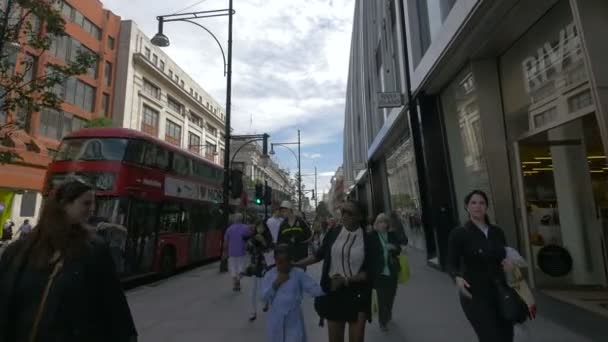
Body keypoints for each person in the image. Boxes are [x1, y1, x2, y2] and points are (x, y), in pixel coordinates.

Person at [0, 180, 137, 342]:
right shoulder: (17, 250)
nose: (92, 209)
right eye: (86, 203)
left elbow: (113, 303)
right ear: (64, 204)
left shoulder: (94, 250)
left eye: (93, 204)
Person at [297, 200, 372, 342]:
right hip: (333, 292)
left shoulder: (368, 239)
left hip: (358, 294)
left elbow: (370, 272)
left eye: (349, 213)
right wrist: (296, 264)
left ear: (360, 216)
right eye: (342, 212)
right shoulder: (334, 231)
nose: (344, 216)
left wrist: (346, 280)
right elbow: (318, 255)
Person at [447, 190, 515, 342]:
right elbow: (451, 263)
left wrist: (509, 264)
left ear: (487, 207)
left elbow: (505, 255)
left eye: (482, 202)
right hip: (475, 295)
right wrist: (457, 278)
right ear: (467, 207)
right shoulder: (459, 233)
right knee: (489, 337)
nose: (478, 206)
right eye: (473, 202)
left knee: (506, 336)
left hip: (500, 291)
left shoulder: (497, 232)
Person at [262, 244, 324, 342]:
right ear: (275, 261)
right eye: (279, 262)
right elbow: (265, 298)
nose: (282, 265)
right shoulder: (270, 275)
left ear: (290, 260)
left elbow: (315, 289)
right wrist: (276, 284)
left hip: (293, 318)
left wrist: (327, 288)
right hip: (276, 318)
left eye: (285, 261)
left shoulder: (298, 273)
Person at [368, 213, 407, 331]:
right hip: (379, 273)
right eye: (380, 222)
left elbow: (399, 248)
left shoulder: (391, 235)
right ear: (376, 224)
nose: (383, 224)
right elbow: (368, 254)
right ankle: (382, 321)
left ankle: (388, 312)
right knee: (381, 298)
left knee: (391, 295)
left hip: (392, 270)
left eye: (385, 222)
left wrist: (394, 248)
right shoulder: (371, 236)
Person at [243, 219, 272, 322]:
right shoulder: (253, 237)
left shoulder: (268, 237)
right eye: (258, 227)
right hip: (254, 266)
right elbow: (248, 249)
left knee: (261, 290)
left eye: (261, 227)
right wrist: (251, 242)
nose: (259, 229)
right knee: (252, 291)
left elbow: (269, 250)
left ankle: (265, 302)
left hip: (263, 267)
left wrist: (263, 241)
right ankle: (253, 311)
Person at [223, 212, 252, 292]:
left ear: (234, 219)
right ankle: (238, 281)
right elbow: (250, 237)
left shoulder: (229, 229)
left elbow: (225, 242)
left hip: (231, 253)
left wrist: (224, 252)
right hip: (241, 252)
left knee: (233, 269)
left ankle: (236, 282)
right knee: (241, 269)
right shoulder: (245, 228)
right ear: (241, 219)